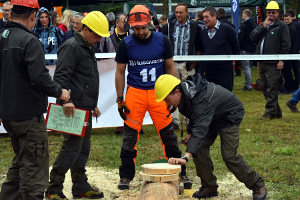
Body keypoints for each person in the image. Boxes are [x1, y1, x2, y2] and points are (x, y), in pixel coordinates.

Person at [155, 74, 268, 200]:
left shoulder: (201, 99)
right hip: (210, 116)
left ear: (176, 92)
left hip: (229, 115)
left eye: (166, 99)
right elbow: (195, 117)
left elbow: (201, 127)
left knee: (229, 155)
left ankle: (258, 185)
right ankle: (209, 186)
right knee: (198, 148)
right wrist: (190, 133)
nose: (166, 103)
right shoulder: (185, 95)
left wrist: (186, 156)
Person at [115, 5, 191, 190]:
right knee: (129, 139)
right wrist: (119, 98)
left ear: (149, 22)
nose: (139, 31)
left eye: (142, 27)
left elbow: (171, 67)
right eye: (136, 28)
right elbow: (119, 71)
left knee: (169, 137)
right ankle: (125, 176)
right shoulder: (126, 43)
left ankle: (181, 173)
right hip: (135, 93)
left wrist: (174, 93)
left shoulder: (162, 40)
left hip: (159, 94)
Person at [0, 0, 70, 199]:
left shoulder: (3, 37)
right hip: (28, 115)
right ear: (33, 16)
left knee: (21, 160)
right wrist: (60, 92)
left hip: (9, 114)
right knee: (35, 167)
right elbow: (39, 77)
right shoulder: (30, 41)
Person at [45, 11, 110, 200]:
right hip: (74, 108)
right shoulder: (71, 47)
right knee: (71, 149)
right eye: (97, 35)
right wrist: (67, 101)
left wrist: (93, 105)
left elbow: (86, 78)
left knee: (83, 149)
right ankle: (53, 189)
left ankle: (80, 185)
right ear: (86, 29)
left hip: (84, 107)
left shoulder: (87, 46)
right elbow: (61, 77)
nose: (99, 39)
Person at [162, 2, 200, 129]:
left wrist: (194, 62)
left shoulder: (195, 26)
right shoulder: (169, 26)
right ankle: (174, 121)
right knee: (172, 91)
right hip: (172, 64)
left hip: (187, 65)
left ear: (187, 13)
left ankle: (191, 120)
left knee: (190, 92)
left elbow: (199, 46)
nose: (178, 14)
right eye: (176, 12)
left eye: (180, 12)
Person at [250, 1, 290, 119]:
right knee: (264, 86)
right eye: (268, 12)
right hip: (262, 61)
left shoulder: (282, 26)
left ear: (278, 13)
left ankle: (270, 112)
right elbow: (252, 37)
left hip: (274, 62)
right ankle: (276, 111)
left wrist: (281, 60)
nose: (270, 14)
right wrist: (263, 26)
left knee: (272, 87)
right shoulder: (264, 24)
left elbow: (286, 44)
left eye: (273, 12)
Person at [197, 6, 240, 92]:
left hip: (225, 73)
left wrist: (237, 67)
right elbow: (202, 50)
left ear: (214, 16)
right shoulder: (202, 33)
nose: (204, 19)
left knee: (225, 98)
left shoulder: (227, 29)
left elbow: (236, 48)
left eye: (207, 17)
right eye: (203, 17)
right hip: (209, 73)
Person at [238, 9, 257, 91]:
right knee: (253, 67)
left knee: (246, 67)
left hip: (245, 47)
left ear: (245, 15)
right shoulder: (254, 24)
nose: (242, 16)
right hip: (253, 47)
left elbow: (241, 37)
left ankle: (248, 85)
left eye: (242, 14)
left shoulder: (243, 25)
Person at [281, 13, 298, 94]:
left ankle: (290, 87)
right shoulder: (291, 26)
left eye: (288, 19)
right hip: (292, 52)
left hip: (291, 52)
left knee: (288, 71)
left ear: (291, 18)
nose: (286, 21)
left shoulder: (291, 28)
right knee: (292, 71)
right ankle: (293, 86)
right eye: (285, 19)